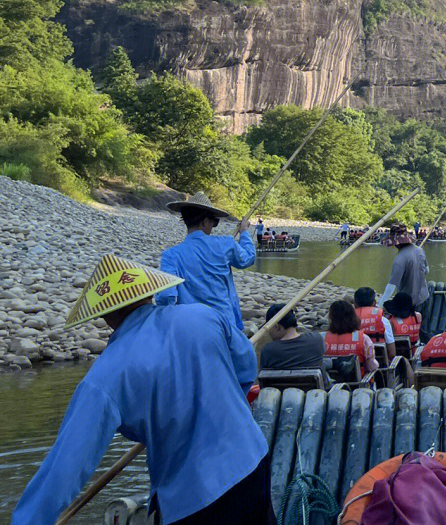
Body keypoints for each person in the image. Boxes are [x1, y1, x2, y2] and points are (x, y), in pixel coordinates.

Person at [12, 254, 270, 525]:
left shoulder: (104, 376)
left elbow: (63, 469)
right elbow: (245, 366)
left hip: (196, 498)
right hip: (253, 461)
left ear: (104, 315)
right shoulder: (205, 315)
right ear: (148, 292)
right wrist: (225, 403)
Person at [157, 192, 255, 332]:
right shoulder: (225, 244)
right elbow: (248, 258)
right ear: (205, 222)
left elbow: (166, 296)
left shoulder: (170, 255)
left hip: (190, 328)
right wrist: (244, 232)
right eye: (214, 222)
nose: (213, 226)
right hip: (224, 325)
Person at [258, 303, 326, 372]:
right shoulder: (316, 340)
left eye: (269, 328)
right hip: (312, 382)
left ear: (276, 327)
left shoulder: (268, 351)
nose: (269, 332)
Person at [323, 299, 378, 381]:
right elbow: (371, 367)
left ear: (331, 318)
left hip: (331, 386)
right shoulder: (364, 339)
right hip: (359, 384)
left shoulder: (322, 339)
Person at [378, 223, 430, 309]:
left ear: (396, 243)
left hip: (409, 303)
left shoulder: (400, 259)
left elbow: (392, 285)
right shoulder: (419, 250)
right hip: (424, 297)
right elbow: (427, 271)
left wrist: (380, 305)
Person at [354, 287, 396, 360]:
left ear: (355, 304)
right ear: (374, 303)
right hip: (379, 365)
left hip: (353, 365)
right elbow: (392, 353)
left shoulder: (348, 320)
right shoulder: (383, 320)